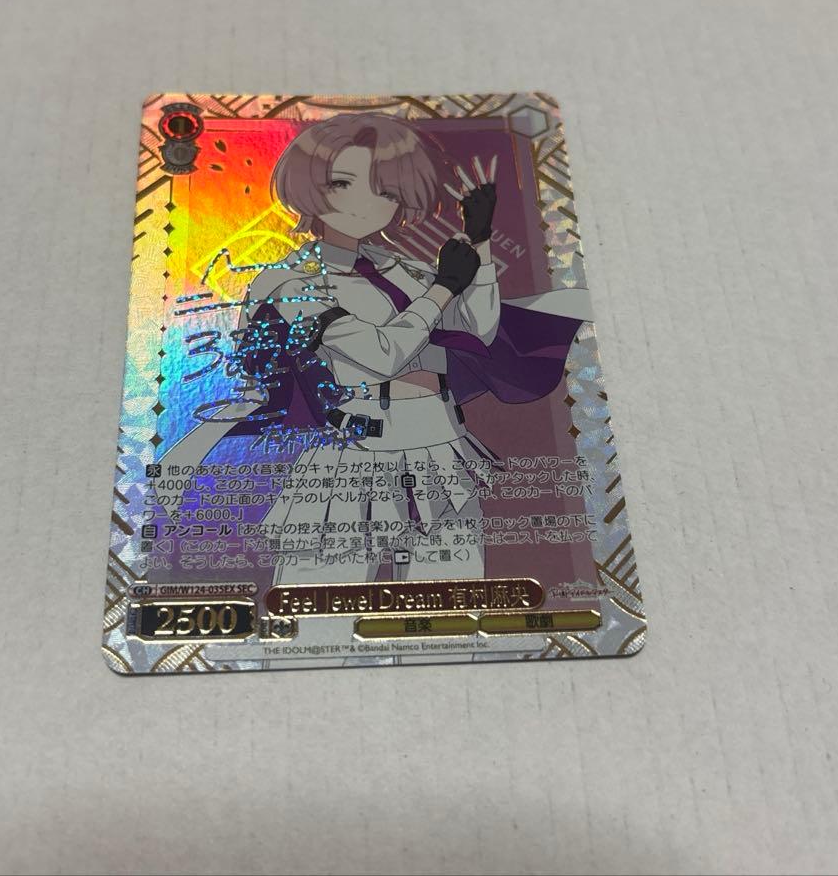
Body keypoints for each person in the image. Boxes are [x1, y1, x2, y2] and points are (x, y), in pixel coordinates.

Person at [159, 113, 586, 593]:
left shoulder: (404, 268)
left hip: (440, 446)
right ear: (309, 186)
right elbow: (382, 354)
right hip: (351, 453)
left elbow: (476, 332)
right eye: (343, 184)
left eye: (385, 191)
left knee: (449, 603)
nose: (366, 205)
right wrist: (444, 288)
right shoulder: (290, 282)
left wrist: (480, 245)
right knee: (320, 605)